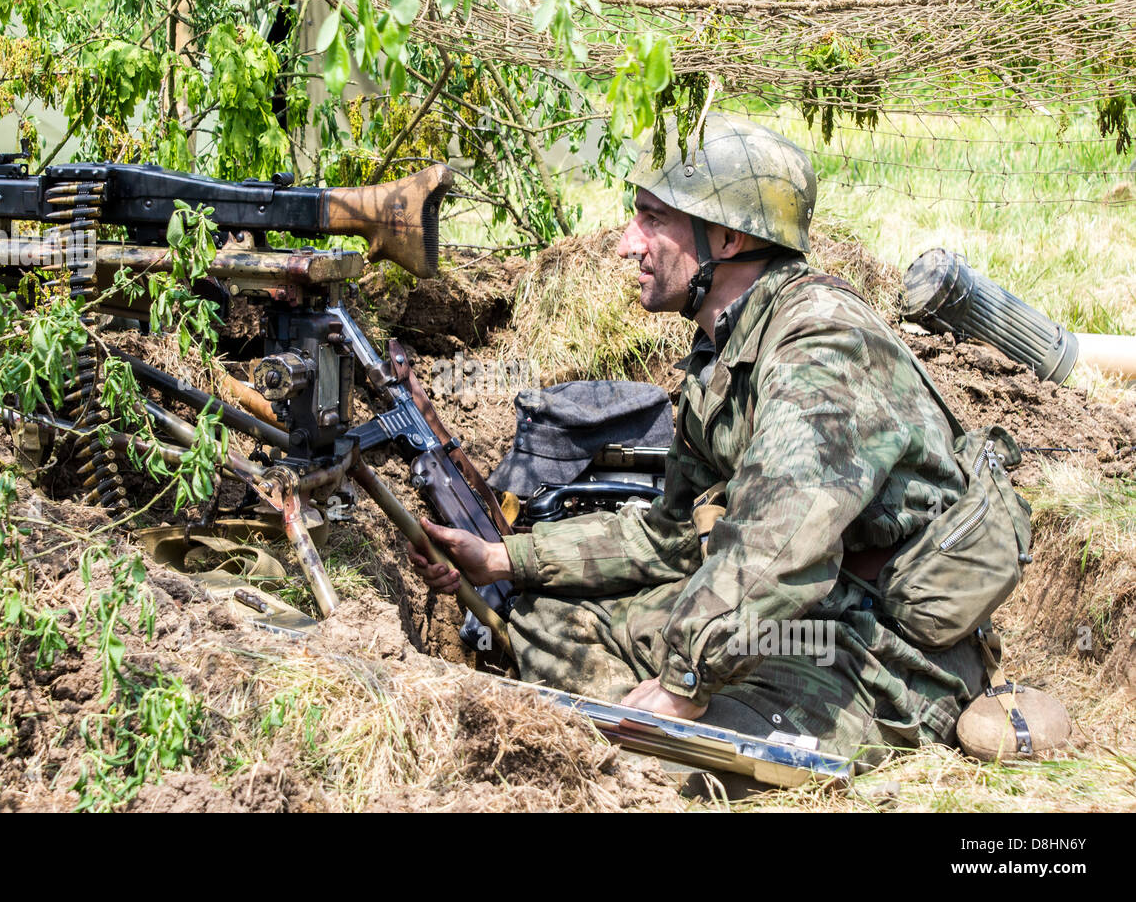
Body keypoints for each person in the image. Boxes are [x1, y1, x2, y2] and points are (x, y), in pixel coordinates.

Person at [407, 113, 987, 762]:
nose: (628, 243)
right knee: (547, 616)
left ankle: (651, 752)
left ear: (730, 238)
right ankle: (633, 744)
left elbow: (782, 540)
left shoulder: (822, 345)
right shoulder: (725, 350)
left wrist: (686, 680)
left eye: (653, 218)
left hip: (879, 652)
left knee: (703, 753)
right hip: (786, 618)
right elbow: (673, 534)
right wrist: (505, 558)